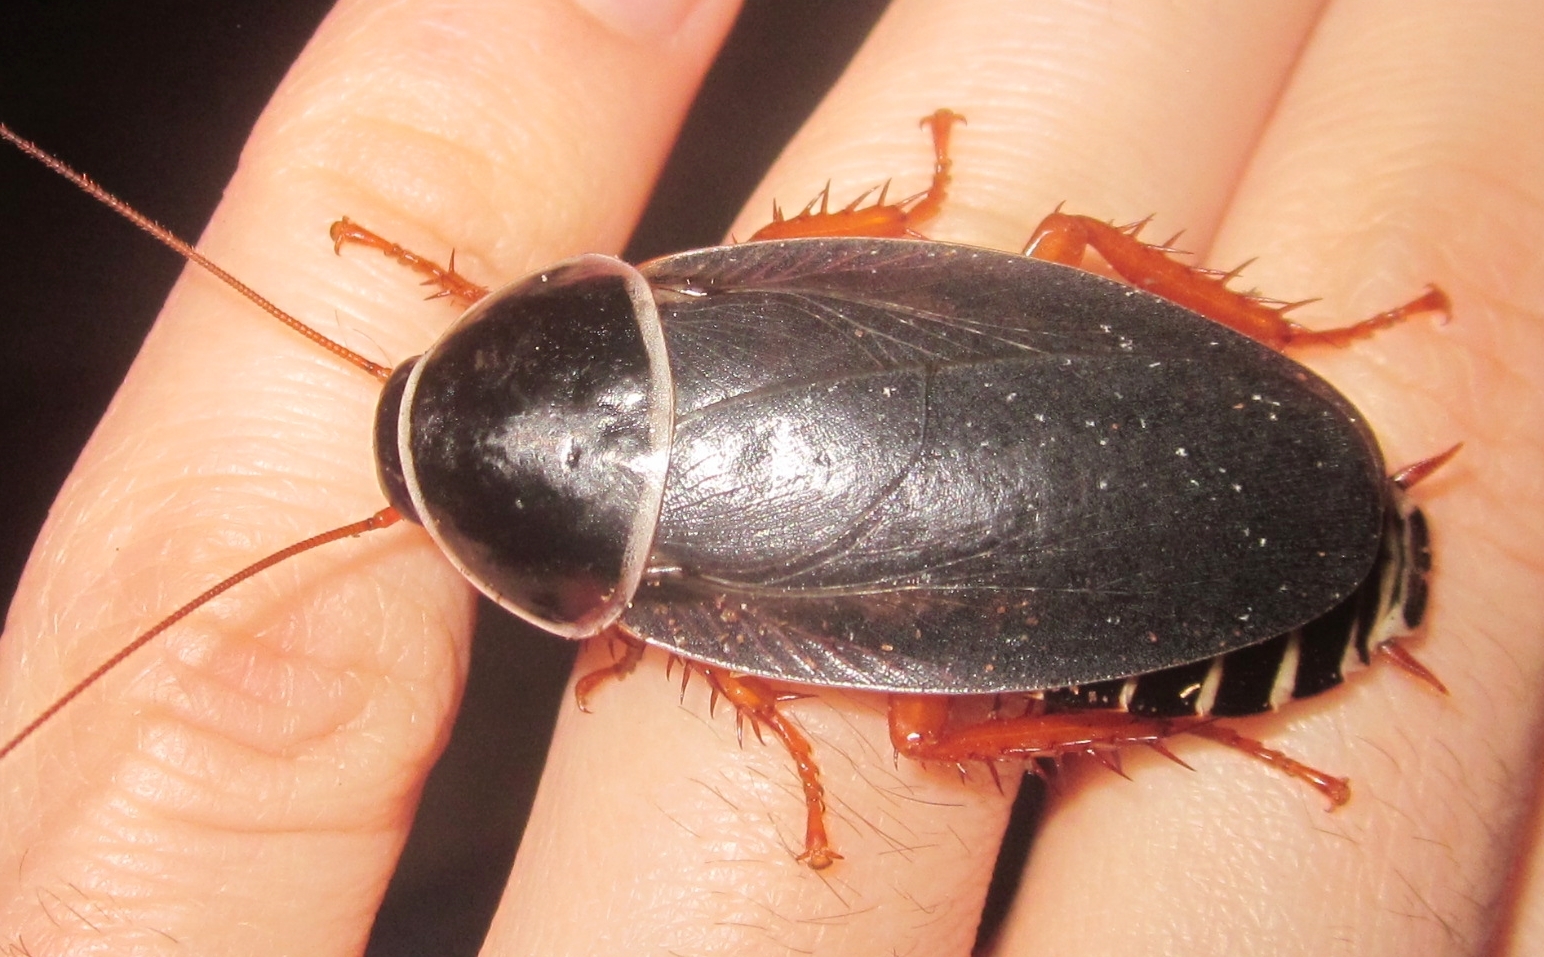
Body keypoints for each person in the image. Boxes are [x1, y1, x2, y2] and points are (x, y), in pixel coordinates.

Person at [1, 0, 1539, 953]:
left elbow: (703, 641)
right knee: (1060, 248)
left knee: (928, 728)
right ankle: (1289, 450)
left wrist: (776, 724)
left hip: (1230, 479)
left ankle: (1222, 676)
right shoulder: (682, 299)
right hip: (1219, 439)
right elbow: (813, 252)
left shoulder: (652, 598)